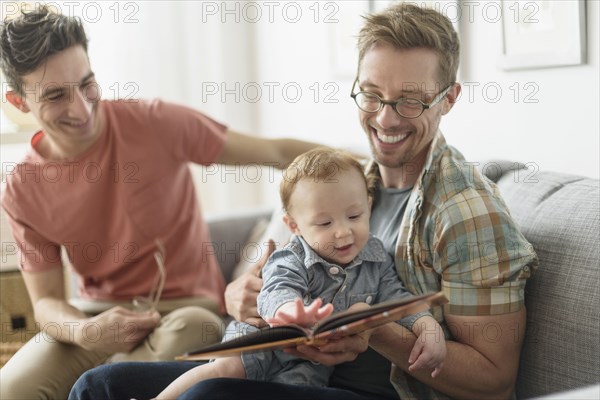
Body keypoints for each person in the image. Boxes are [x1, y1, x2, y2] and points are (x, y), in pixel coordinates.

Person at [69, 3, 539, 399]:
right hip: (279, 365)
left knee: (207, 395)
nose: (385, 118)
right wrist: (242, 297)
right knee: (99, 385)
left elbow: (495, 382)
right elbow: (276, 269)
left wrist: (374, 331)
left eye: (410, 100)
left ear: (449, 98)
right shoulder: (352, 181)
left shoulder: (466, 214)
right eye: (371, 95)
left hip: (377, 392)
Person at [0, 5, 321, 399]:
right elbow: (47, 302)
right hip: (97, 316)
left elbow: (274, 151)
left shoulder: (154, 123)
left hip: (186, 310)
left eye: (87, 84)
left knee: (182, 337)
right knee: (13, 387)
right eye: (55, 95)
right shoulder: (22, 187)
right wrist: (84, 331)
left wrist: (364, 165)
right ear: (18, 103)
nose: (82, 108)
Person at [154, 148, 446, 399]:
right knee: (226, 370)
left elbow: (396, 297)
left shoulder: (376, 257)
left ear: (368, 207)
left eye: (354, 216)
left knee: (298, 390)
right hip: (261, 340)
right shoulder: (291, 256)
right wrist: (290, 312)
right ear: (294, 226)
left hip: (311, 363)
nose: (343, 232)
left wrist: (424, 324)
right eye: (324, 223)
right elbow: (276, 289)